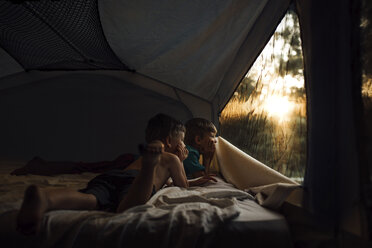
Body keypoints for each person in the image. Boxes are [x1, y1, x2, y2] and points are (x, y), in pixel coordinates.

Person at [16, 113, 216, 235]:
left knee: (90, 198)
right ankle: (147, 172)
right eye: (181, 143)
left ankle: (45, 198)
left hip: (115, 175)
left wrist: (198, 178)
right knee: (126, 208)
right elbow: (182, 186)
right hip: (135, 181)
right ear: (170, 142)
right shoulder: (171, 158)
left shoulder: (143, 156)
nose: (183, 147)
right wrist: (179, 161)